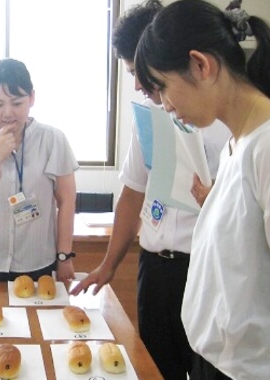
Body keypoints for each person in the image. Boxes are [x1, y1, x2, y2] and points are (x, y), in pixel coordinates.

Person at [133, 0, 270, 379]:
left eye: (163, 87)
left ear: (201, 65)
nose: (164, 105)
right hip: (220, 363)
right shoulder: (239, 142)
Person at [70, 1, 230, 379]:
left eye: (142, 72)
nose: (140, 85)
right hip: (156, 267)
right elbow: (133, 191)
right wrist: (109, 264)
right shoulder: (150, 113)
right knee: (157, 368)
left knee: (209, 369)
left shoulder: (223, 119)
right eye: (131, 73)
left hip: (206, 268)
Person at [0, 58, 79, 282]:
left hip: (38, 261)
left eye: (17, 103)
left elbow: (67, 200)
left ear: (32, 98)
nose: (7, 113)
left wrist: (64, 255)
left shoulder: (53, 140)